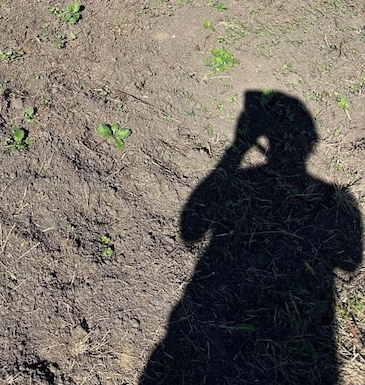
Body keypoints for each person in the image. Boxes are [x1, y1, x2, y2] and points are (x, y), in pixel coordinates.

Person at [139, 90, 363, 385]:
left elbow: (190, 231)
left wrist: (236, 150)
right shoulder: (334, 198)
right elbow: (349, 262)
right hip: (301, 343)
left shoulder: (245, 179)